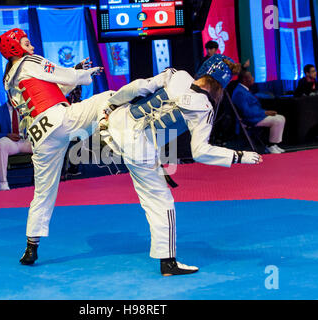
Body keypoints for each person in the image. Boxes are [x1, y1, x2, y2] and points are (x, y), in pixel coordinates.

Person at [98, 54, 263, 276]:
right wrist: (238, 156)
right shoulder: (205, 108)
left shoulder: (177, 75)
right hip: (138, 149)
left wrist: (111, 104)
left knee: (82, 111)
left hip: (116, 121)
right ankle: (168, 263)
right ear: (221, 85)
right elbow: (200, 152)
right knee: (161, 203)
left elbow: (138, 87)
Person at [0, 28, 111, 265]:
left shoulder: (9, 78)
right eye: (26, 42)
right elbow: (67, 79)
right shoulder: (30, 61)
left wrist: (74, 73)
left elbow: (50, 91)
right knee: (108, 98)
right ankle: (111, 133)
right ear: (16, 48)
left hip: (40, 136)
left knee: (43, 193)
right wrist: (81, 73)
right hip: (59, 121)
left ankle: (31, 247)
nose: (31, 46)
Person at [232, 69, 286, 154]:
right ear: (244, 79)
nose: (253, 78)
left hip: (256, 116)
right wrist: (264, 113)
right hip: (248, 120)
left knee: (281, 118)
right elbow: (246, 112)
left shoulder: (245, 89)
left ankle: (273, 144)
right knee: (277, 120)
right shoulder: (239, 92)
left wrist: (264, 112)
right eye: (251, 77)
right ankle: (270, 146)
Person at [0, 99, 32, 191]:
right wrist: (7, 135)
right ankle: (3, 182)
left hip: (25, 141)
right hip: (10, 143)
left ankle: (45, 178)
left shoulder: (27, 109)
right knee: (1, 143)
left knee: (43, 142)